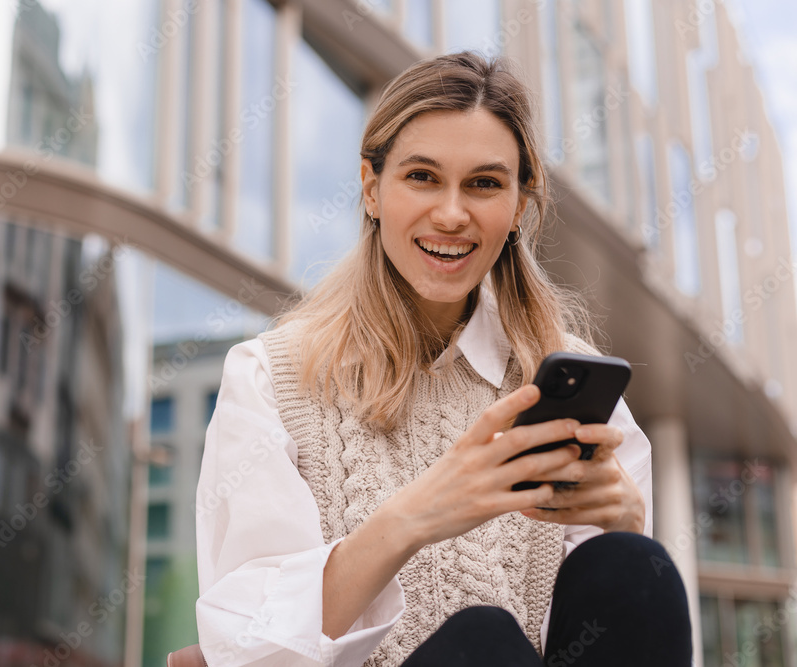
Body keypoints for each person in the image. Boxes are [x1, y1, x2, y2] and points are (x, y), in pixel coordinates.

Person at [194, 51, 692, 666]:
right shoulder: (272, 378)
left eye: (484, 184)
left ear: (517, 206)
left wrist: (625, 521)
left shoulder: (567, 376)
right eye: (422, 177)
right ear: (372, 189)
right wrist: (411, 518)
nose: (452, 214)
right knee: (480, 641)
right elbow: (248, 648)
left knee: (631, 564)